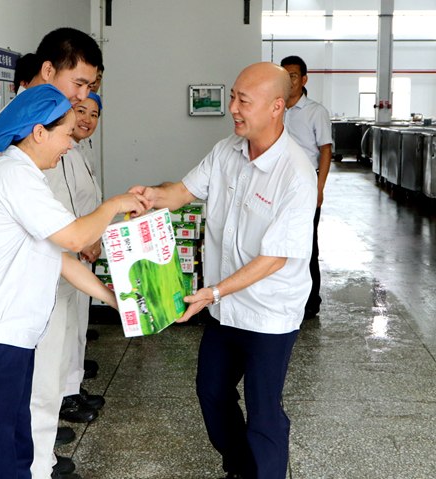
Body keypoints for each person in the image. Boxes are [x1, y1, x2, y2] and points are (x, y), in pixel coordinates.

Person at [0, 84, 146, 479]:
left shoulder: (29, 180)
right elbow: (75, 238)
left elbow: (62, 259)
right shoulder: (12, 176)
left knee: (18, 458)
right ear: (39, 132)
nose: (69, 144)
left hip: (9, 346)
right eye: (66, 134)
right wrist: (116, 205)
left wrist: (116, 300)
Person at [128, 62, 317, 479]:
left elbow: (275, 258)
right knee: (212, 392)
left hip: (268, 314)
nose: (232, 107)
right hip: (222, 308)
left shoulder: (296, 174)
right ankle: (242, 467)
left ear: (276, 107)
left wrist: (213, 292)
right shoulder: (226, 151)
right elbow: (184, 191)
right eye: (233, 96)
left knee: (264, 412)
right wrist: (153, 196)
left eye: (243, 100)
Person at [30, 93, 105, 479]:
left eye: (93, 114)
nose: (84, 121)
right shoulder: (19, 174)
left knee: (69, 337)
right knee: (44, 366)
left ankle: (43, 448)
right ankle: (37, 455)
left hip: (70, 254)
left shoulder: (74, 151)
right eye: (79, 112)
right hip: (54, 262)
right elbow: (64, 222)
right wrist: (110, 212)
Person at [0, 27, 103, 207]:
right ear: (48, 70)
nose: (83, 95)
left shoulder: (61, 118)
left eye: (90, 87)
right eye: (79, 84)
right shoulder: (12, 125)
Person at [280, 55, 333, 320]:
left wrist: (319, 188)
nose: (288, 81)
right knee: (278, 240)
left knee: (306, 243)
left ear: (303, 79)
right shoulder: (275, 108)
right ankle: (284, 296)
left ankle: (311, 301)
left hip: (306, 183)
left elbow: (326, 150)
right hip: (278, 183)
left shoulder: (315, 111)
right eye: (284, 76)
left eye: (293, 75)